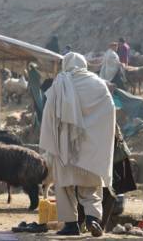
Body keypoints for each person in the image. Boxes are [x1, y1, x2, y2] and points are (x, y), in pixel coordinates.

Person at [39, 52, 115, 237]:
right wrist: (96, 133)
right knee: (91, 187)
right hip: (91, 148)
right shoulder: (97, 83)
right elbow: (110, 109)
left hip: (65, 146)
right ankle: (92, 219)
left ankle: (71, 225)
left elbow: (49, 114)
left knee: (64, 186)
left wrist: (54, 139)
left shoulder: (60, 82)